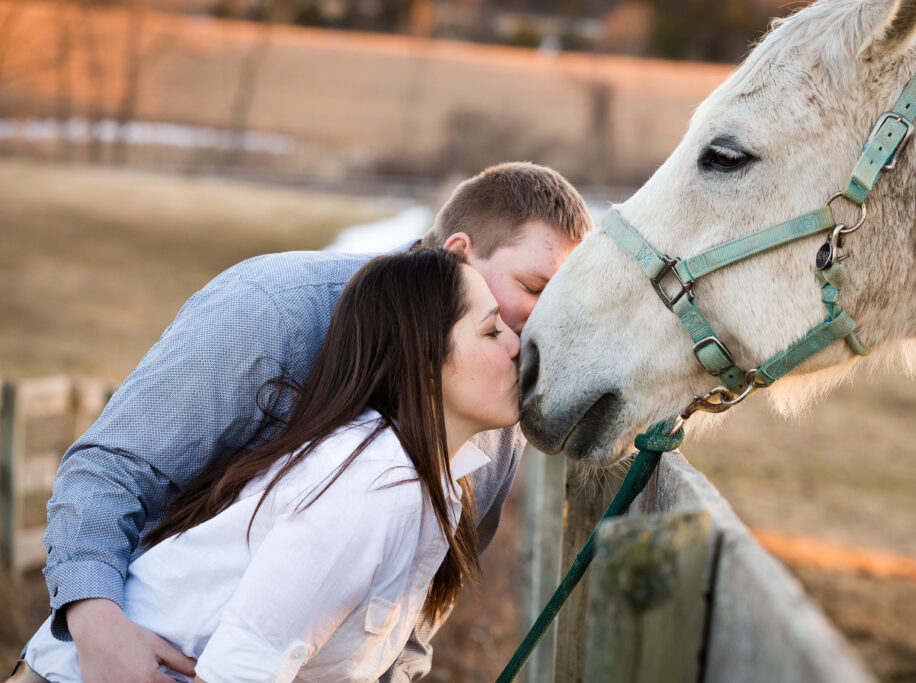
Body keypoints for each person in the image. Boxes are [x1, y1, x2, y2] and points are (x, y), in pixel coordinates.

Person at [13, 162, 592, 683]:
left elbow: (405, 624)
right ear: (457, 254)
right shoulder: (274, 310)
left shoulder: (493, 402)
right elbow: (113, 471)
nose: (543, 327)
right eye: (533, 289)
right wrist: (97, 627)